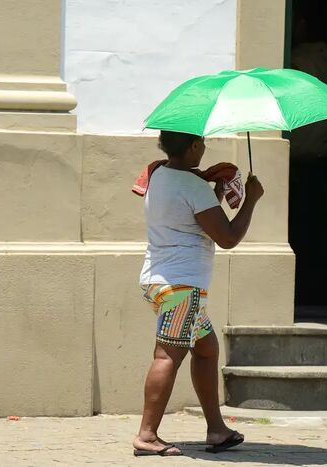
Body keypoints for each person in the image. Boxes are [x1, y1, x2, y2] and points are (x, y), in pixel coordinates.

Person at [133, 130, 265, 456]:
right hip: (183, 287)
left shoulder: (159, 174)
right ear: (193, 146)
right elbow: (228, 237)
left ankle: (217, 429)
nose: (205, 147)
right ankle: (147, 435)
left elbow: (190, 220)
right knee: (167, 356)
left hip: (160, 280)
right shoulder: (192, 184)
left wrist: (215, 194)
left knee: (205, 349)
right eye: (203, 142)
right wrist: (250, 199)